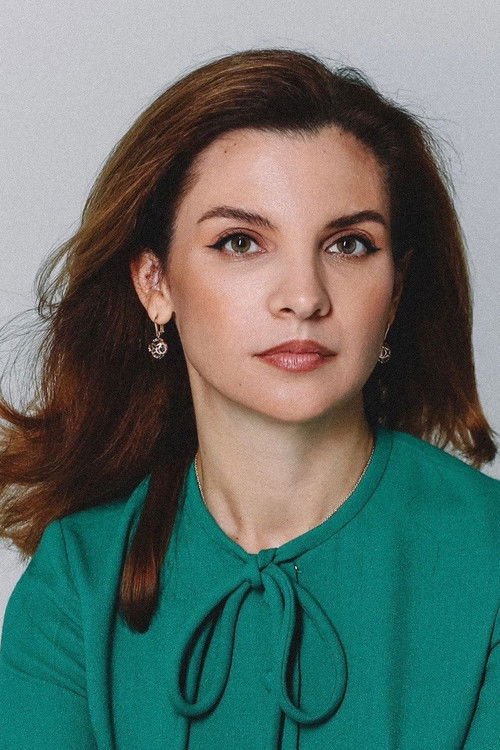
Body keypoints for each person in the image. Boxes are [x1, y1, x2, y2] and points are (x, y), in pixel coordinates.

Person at [0, 47, 498, 750]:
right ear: (155, 284)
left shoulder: (490, 557)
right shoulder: (78, 579)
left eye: (350, 245)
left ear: (396, 293)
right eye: (241, 242)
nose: (304, 297)